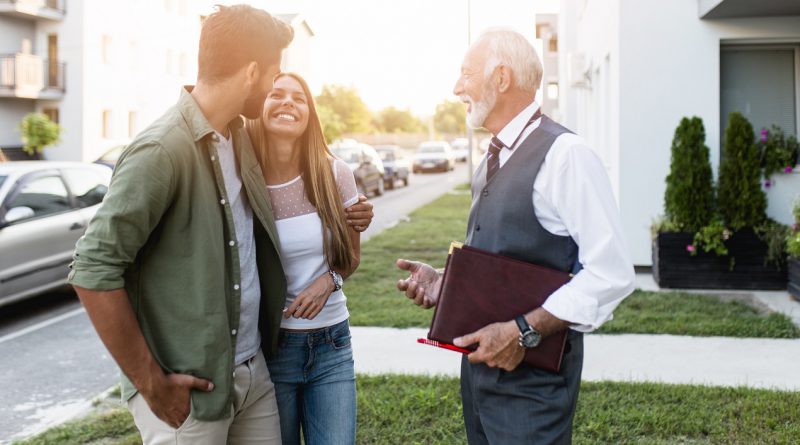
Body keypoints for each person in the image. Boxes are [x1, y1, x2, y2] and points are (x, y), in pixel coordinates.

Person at [68, 6, 373, 444]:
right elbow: (93, 268)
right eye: (273, 76)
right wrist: (151, 383)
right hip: (191, 389)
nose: (275, 88)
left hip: (254, 373)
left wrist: (351, 219)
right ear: (253, 72)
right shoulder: (161, 149)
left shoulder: (237, 139)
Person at [396, 29, 635, 444]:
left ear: (501, 78)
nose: (456, 88)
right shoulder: (493, 156)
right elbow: (506, 256)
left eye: (466, 74)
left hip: (533, 392)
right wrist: (446, 282)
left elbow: (611, 273)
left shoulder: (567, 156)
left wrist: (523, 330)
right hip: (479, 381)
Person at [244, 72, 360, 445]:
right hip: (272, 349)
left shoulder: (335, 173)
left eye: (298, 97)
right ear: (260, 106)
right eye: (276, 94)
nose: (287, 103)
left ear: (310, 113)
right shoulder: (244, 179)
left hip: (332, 345)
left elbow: (351, 258)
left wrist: (329, 281)